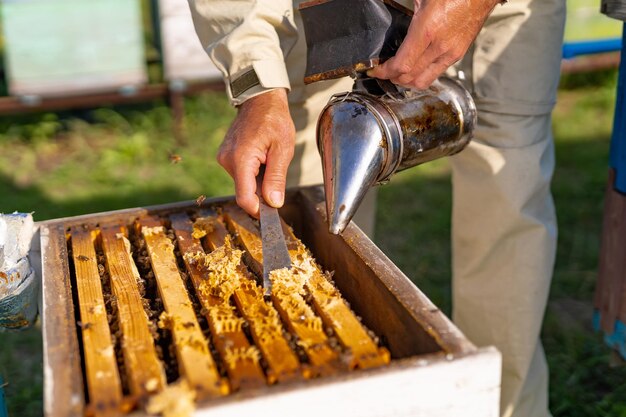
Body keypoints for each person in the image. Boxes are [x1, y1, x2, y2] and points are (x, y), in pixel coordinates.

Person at [188, 0, 566, 416]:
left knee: (506, 192)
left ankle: (500, 405)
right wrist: (257, 86)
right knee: (308, 218)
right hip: (330, 15)